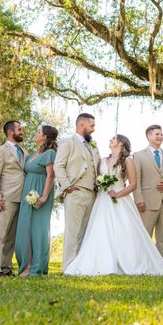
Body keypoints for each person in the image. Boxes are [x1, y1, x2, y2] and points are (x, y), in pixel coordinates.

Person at [64, 135, 163, 276]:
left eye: (114, 138)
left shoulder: (128, 161)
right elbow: (97, 179)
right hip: (103, 200)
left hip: (120, 199)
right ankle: (101, 262)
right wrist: (102, 184)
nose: (110, 139)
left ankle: (129, 262)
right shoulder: (102, 161)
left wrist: (118, 194)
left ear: (121, 143)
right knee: (100, 230)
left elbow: (133, 184)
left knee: (124, 230)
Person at [54, 113, 100, 270]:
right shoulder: (67, 142)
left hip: (92, 194)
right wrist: (67, 186)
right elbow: (58, 166)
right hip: (75, 192)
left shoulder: (93, 145)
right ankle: (68, 267)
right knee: (72, 233)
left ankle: (80, 267)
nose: (93, 129)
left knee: (85, 233)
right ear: (82, 125)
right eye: (92, 126)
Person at [132, 124, 163, 262]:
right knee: (144, 235)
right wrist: (138, 200)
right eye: (157, 134)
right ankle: (141, 264)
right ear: (149, 136)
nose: (160, 136)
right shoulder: (138, 155)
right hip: (146, 202)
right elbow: (136, 179)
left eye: (161, 134)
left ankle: (162, 266)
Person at [15, 125, 58, 276]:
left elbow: (51, 176)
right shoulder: (33, 153)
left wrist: (44, 196)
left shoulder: (50, 153)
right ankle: (26, 265)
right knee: (25, 229)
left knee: (38, 230)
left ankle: (36, 267)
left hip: (41, 192)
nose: (36, 133)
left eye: (39, 132)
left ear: (45, 137)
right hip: (28, 194)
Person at [0, 120, 27, 277]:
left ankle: (6, 267)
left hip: (22, 198)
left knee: (11, 236)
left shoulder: (24, 151)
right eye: (19, 129)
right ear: (10, 132)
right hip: (5, 198)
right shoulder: (0, 150)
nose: (22, 131)